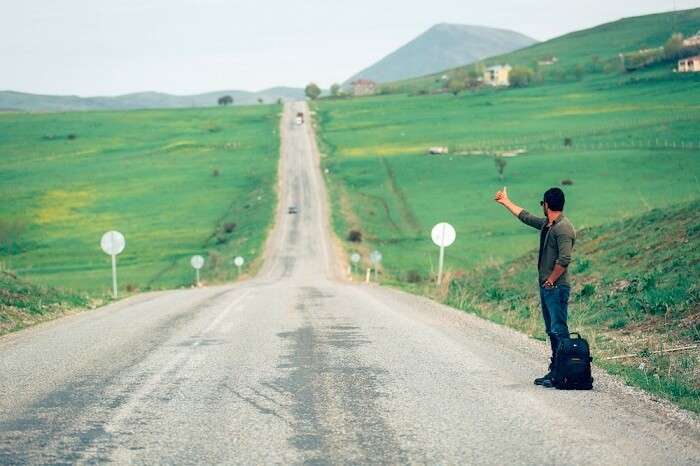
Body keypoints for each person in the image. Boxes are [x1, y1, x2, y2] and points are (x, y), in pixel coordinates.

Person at [494, 187, 576, 388]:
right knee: (552, 330)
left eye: (542, 204)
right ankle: (556, 371)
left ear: (546, 205)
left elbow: (565, 258)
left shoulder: (563, 228)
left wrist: (550, 280)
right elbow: (526, 217)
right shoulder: (548, 225)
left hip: (556, 288)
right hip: (549, 287)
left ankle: (563, 371)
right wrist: (506, 201)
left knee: (559, 330)